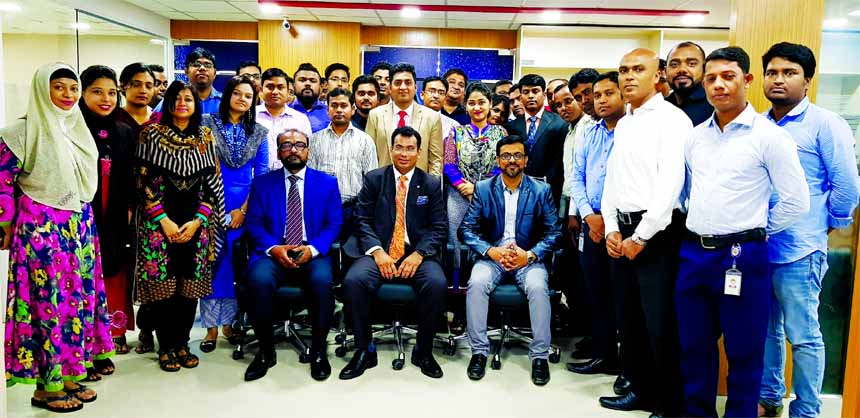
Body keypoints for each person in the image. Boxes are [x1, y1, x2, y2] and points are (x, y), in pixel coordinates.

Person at [677, 46, 810, 418]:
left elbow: (796, 201)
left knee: (744, 351)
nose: (718, 85)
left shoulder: (769, 137)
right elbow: (687, 193)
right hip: (693, 254)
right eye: (711, 78)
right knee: (694, 347)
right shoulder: (695, 138)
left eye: (728, 76)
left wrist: (754, 231)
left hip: (742, 257)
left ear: (747, 80)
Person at [2, 63, 112, 413]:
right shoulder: (18, 132)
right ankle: (45, 388)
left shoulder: (75, 128)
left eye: (72, 88)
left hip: (79, 226)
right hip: (41, 229)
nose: (68, 95)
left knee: (76, 303)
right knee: (47, 304)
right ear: (41, 89)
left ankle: (68, 376)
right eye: (59, 87)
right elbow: (3, 183)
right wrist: (5, 223)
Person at [759, 42, 860, 418]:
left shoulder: (825, 124)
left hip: (800, 249)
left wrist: (829, 224)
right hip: (760, 247)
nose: (779, 80)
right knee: (766, 331)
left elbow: (847, 185)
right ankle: (770, 398)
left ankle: (806, 410)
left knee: (803, 336)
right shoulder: (759, 124)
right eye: (773, 73)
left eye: (789, 73)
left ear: (807, 80)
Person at [598, 48, 692, 417]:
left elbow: (671, 185)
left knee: (660, 324)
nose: (628, 77)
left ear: (659, 75)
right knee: (630, 319)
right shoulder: (625, 122)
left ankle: (669, 404)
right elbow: (613, 181)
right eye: (623, 70)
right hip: (622, 228)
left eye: (638, 69)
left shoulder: (673, 120)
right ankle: (640, 389)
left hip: (658, 234)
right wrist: (610, 227)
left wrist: (642, 235)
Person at [339, 126, 447, 380]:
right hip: (379, 249)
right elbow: (361, 220)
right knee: (354, 281)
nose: (404, 153)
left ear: (419, 152)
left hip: (416, 252)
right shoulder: (375, 178)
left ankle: (423, 350)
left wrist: (419, 253)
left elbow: (439, 227)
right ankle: (364, 350)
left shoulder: (430, 183)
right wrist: (378, 252)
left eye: (411, 148)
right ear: (391, 148)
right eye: (399, 147)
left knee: (437, 283)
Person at [134, 80, 224, 373]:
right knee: (163, 291)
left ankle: (183, 343)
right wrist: (164, 220)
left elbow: (212, 184)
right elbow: (142, 181)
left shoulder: (205, 136)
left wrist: (199, 220)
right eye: (177, 98)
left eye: (189, 98)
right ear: (169, 102)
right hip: (159, 224)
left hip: (196, 224)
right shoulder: (151, 134)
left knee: (189, 290)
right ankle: (166, 346)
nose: (183, 103)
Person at [460, 135, 562, 385]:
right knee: (476, 283)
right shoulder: (484, 188)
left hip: (527, 258)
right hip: (493, 256)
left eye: (517, 155)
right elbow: (466, 230)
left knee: (539, 287)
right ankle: (479, 351)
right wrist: (491, 251)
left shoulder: (541, 190)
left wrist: (528, 255)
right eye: (506, 155)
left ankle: (539, 356)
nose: (512, 160)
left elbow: (554, 232)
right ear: (498, 160)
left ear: (526, 160)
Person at [243, 129, 343, 381]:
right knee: (259, 280)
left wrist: (312, 249)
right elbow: (253, 223)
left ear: (309, 150)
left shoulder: (327, 183)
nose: (294, 150)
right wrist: (274, 249)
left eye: (300, 145)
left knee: (322, 282)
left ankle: (319, 352)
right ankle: (266, 352)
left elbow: (334, 224)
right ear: (279, 153)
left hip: (312, 251)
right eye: (287, 145)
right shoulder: (262, 184)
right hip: (273, 251)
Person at [199, 75, 269, 353]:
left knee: (236, 265)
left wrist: (243, 210)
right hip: (208, 198)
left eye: (248, 95)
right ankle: (211, 329)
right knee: (212, 264)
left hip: (245, 204)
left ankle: (230, 325)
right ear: (227, 95)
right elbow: (198, 165)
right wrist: (212, 205)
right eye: (237, 93)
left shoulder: (259, 132)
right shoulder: (206, 124)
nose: (242, 99)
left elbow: (261, 175)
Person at [567, 71, 625, 377]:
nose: (600, 100)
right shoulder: (590, 132)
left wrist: (608, 218)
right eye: (596, 95)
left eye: (606, 93)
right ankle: (603, 355)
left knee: (623, 298)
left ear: (623, 95)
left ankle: (628, 364)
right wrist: (590, 215)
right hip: (593, 224)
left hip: (623, 226)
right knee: (597, 293)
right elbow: (577, 176)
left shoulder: (633, 131)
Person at [78, 65, 137, 367]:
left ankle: (112, 337)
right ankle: (83, 345)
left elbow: (129, 178)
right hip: (79, 215)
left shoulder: (123, 131)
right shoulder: (72, 128)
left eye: (112, 92)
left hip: (114, 214)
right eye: (97, 92)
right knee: (81, 279)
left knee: (113, 272)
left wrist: (128, 213)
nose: (106, 99)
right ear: (83, 92)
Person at [443, 83, 506, 285]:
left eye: (481, 103)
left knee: (487, 240)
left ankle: (483, 285)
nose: (476, 107)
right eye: (471, 103)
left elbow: (502, 164)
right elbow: (448, 164)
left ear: (490, 105)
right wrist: (464, 186)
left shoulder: (501, 133)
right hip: (458, 196)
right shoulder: (456, 132)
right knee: (456, 242)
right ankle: (456, 289)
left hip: (490, 196)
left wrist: (477, 189)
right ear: (466, 105)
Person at [309, 88, 378, 241]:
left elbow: (371, 181)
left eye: (343, 105)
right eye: (334, 105)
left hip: (354, 209)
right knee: (324, 252)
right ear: (327, 110)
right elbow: (310, 178)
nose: (339, 109)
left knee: (351, 254)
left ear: (352, 109)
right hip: (322, 208)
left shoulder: (365, 141)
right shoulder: (315, 140)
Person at [365, 62, 444, 175]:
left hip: (419, 186)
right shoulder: (375, 115)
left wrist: (431, 187)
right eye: (397, 83)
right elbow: (369, 155)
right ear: (390, 88)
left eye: (408, 83)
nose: (403, 87)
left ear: (415, 87)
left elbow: (436, 159)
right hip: (383, 185)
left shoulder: (432, 117)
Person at [504, 74, 568, 205]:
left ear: (544, 95)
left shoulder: (560, 123)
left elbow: (560, 162)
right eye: (526, 92)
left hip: (551, 192)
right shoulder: (511, 127)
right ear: (521, 97)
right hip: (518, 191)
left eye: (535, 91)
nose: (531, 96)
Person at [257, 67, 312, 171]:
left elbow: (306, 153)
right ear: (261, 90)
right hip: (256, 177)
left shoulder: (300, 119)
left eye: (280, 87)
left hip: (290, 177)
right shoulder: (250, 117)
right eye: (270, 87)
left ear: (288, 91)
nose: (275, 92)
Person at [154, 47, 221, 115]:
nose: (202, 68)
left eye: (208, 65)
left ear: (215, 73)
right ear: (186, 71)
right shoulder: (172, 100)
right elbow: (154, 122)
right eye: (196, 65)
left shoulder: (225, 101)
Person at [666, 41, 714, 126]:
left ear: (704, 69)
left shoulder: (715, 104)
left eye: (691, 64)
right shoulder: (663, 105)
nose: (682, 69)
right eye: (674, 65)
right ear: (665, 71)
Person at [117, 63, 156, 139]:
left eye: (149, 86)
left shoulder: (160, 119)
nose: (143, 91)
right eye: (136, 85)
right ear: (123, 86)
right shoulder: (114, 117)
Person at [290, 63, 330, 133]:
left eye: (313, 81)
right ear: (294, 86)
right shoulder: (285, 112)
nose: (307, 84)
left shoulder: (330, 112)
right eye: (302, 80)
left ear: (320, 87)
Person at [420, 75, 460, 141]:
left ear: (445, 98)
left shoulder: (453, 126)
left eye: (441, 93)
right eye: (432, 91)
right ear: (422, 95)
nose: (436, 96)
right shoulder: (410, 119)